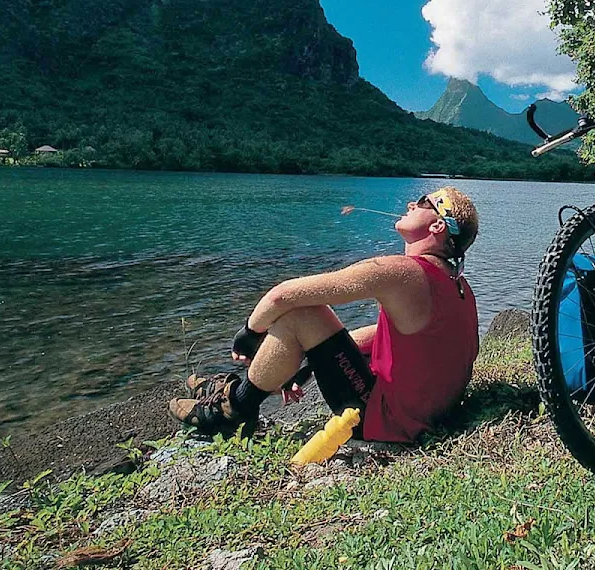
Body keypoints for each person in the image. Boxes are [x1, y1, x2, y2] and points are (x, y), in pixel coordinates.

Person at [168, 187, 480, 443]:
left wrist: (249, 335)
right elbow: (388, 336)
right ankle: (235, 390)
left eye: (424, 202)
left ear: (438, 225)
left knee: (301, 314)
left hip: (386, 421)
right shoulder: (458, 286)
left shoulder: (403, 273)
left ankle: (231, 410)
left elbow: (282, 296)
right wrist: (306, 364)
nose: (412, 203)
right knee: (312, 325)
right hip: (428, 415)